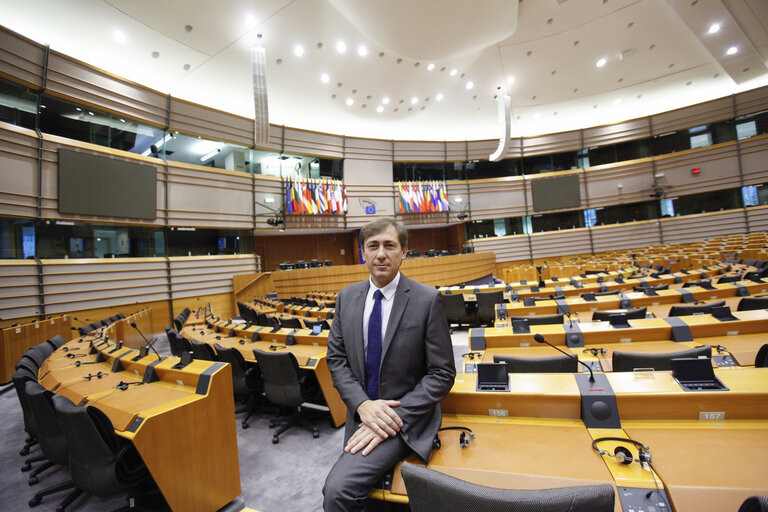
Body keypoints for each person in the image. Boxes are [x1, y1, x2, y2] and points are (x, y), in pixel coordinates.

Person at [323, 217, 456, 511]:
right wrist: (362, 405)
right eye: (373, 246)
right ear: (363, 253)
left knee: (337, 492)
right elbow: (336, 359)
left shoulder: (426, 299)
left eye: (389, 245)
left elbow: (442, 373)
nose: (381, 253)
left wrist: (391, 417)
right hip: (361, 414)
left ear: (404, 252)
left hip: (405, 418)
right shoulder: (347, 298)